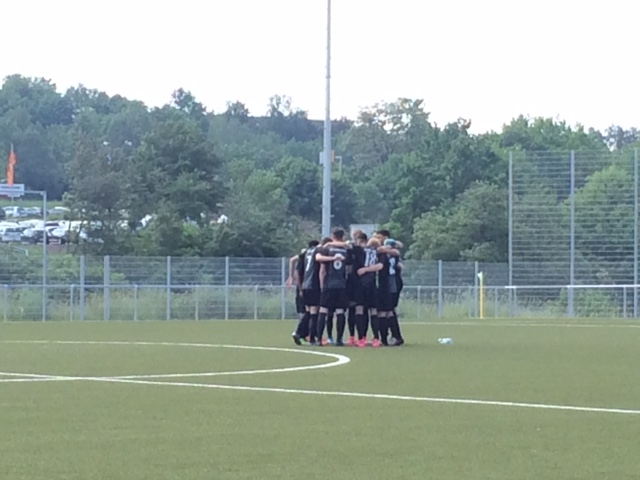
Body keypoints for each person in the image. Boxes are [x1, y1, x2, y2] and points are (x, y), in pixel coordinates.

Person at [315, 228, 350, 346]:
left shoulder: (327, 249)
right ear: (343, 236)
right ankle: (339, 339)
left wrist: (322, 286)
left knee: (323, 310)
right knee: (340, 311)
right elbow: (348, 268)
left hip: (329, 284)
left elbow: (319, 262)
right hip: (341, 285)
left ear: (332, 236)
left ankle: (319, 339)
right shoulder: (346, 250)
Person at [354, 235, 384, 347]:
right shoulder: (379, 252)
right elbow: (380, 266)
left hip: (360, 284)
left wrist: (364, 269)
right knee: (373, 311)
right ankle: (376, 338)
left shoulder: (360, 251)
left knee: (360, 310)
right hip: (372, 283)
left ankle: (361, 338)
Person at [292, 239, 321, 345]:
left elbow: (297, 272)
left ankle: (300, 333)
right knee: (314, 311)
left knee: (308, 311)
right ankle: (310, 337)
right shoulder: (316, 253)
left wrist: (300, 288)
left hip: (305, 285)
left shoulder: (304, 254)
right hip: (313, 285)